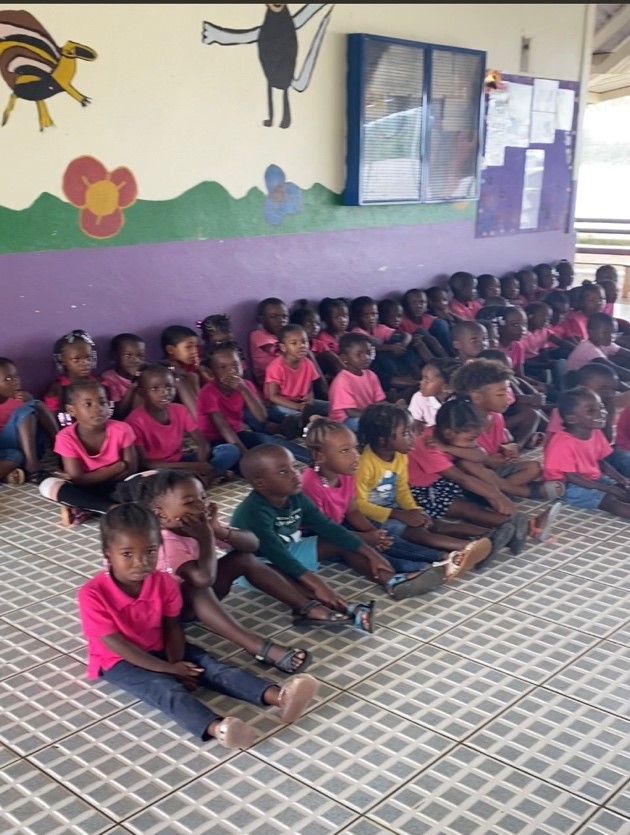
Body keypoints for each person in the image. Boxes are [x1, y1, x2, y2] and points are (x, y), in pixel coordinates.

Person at [77, 503, 319, 749]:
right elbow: (117, 645)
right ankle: (219, 729)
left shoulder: (163, 582)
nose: (141, 562)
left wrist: (178, 662)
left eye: (150, 551)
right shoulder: (92, 594)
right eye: (127, 554)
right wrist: (170, 670)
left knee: (212, 667)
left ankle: (280, 697)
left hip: (159, 643)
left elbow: (173, 626)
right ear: (107, 554)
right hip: (118, 660)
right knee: (163, 689)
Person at [119, 470, 369, 663]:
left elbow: (251, 544)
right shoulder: (165, 541)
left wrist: (219, 530)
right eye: (190, 502)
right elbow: (203, 579)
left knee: (244, 559)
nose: (202, 506)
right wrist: (206, 537)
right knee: (198, 586)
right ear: (161, 515)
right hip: (167, 614)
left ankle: (305, 607)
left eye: (204, 498)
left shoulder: (194, 525)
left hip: (192, 597)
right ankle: (256, 646)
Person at [232, 443, 447, 602]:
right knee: (298, 585)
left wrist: (370, 553)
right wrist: (318, 585)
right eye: (283, 472)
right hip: (259, 565)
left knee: (345, 540)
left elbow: (328, 527)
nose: (294, 475)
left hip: (288, 549)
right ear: (260, 483)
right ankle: (314, 608)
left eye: (293, 467)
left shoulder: (295, 496)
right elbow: (277, 555)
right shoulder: (254, 513)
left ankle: (390, 580)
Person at [302, 417, 485, 585]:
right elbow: (325, 530)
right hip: (322, 539)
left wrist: (374, 533)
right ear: (319, 457)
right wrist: (367, 537)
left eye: (354, 448)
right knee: (364, 550)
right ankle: (422, 570)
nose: (355, 455)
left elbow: (353, 511)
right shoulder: (311, 485)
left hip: (342, 526)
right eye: (345, 451)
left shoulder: (346, 474)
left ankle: (445, 557)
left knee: (387, 539)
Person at [355, 402, 492, 570]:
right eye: (406, 433)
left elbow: (402, 488)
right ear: (382, 440)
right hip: (372, 518)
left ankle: (489, 538)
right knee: (420, 535)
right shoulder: (364, 464)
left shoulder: (399, 456)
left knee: (435, 524)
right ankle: (467, 549)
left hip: (395, 508)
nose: (413, 437)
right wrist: (399, 514)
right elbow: (359, 506)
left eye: (412, 430)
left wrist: (413, 510)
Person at [407, 396, 542, 554]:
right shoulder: (427, 443)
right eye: (471, 438)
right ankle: (516, 528)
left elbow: (480, 456)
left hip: (443, 482)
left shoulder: (449, 439)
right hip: (421, 490)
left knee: (471, 464)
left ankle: (517, 525)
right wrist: (496, 496)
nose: (474, 442)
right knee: (469, 510)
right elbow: (460, 478)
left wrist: (448, 449)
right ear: (449, 433)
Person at [450, 359, 559, 500]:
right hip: (472, 476)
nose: (508, 398)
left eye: (507, 392)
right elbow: (459, 459)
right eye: (500, 394)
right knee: (469, 465)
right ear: (477, 396)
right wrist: (488, 460)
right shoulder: (462, 421)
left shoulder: (496, 417)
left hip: (493, 472)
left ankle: (496, 492)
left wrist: (507, 449)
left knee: (535, 467)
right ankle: (516, 491)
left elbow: (498, 444)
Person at [38, 380, 137, 526]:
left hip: (119, 484)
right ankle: (112, 508)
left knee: (145, 479)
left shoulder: (122, 429)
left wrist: (118, 471)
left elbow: (132, 469)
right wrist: (118, 466)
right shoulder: (65, 437)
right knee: (47, 485)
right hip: (86, 486)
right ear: (72, 410)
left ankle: (87, 507)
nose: (98, 409)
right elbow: (78, 479)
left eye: (102, 402)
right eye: (88, 404)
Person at [125, 364, 235, 483]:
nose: (164, 393)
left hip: (181, 460)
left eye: (169, 387)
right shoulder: (135, 421)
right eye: (155, 388)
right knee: (154, 480)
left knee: (229, 450)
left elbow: (202, 443)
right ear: (142, 392)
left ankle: (204, 477)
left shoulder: (180, 410)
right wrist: (191, 467)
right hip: (158, 469)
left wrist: (199, 464)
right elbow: (145, 463)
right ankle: (205, 477)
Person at [542, 386, 630, 519]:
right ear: (572, 419)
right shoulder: (562, 443)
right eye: (591, 410)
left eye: (600, 407)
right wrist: (606, 488)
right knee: (609, 500)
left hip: (591, 477)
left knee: (623, 490)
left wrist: (620, 478)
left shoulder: (595, 432)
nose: (601, 413)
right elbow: (572, 477)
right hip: (567, 485)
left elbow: (600, 462)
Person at [264, 323, 328, 439]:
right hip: (281, 404)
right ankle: (300, 430)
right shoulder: (276, 367)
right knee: (296, 417)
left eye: (304, 342)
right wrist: (297, 407)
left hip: (301, 403)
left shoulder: (308, 363)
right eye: (294, 343)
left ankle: (312, 422)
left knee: (331, 407)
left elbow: (309, 390)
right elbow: (272, 396)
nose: (301, 346)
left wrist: (309, 400)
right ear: (283, 347)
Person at [0, 356, 58, 484]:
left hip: (28, 448)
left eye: (16, 376)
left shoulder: (21, 399)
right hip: (4, 447)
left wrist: (30, 399)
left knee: (35, 405)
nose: (15, 382)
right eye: (8, 379)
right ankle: (32, 468)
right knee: (29, 408)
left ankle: (61, 449)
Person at [349, 295, 418, 396]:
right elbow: (370, 347)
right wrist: (390, 347)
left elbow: (407, 335)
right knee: (379, 350)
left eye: (374, 314)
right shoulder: (356, 331)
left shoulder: (380, 328)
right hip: (376, 366)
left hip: (394, 361)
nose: (371, 318)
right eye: (365, 315)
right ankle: (405, 381)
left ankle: (415, 372)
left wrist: (402, 345)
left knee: (401, 339)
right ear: (357, 317)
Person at [328, 333, 386, 432]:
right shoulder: (342, 380)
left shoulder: (371, 375)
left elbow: (379, 401)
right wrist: (375, 418)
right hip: (344, 421)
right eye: (359, 354)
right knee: (369, 426)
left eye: (368, 353)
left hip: (366, 415)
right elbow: (350, 412)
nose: (366, 357)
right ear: (344, 358)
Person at [43, 329, 102, 422]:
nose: (84, 363)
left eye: (88, 358)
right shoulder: (58, 388)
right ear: (63, 360)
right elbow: (51, 420)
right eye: (76, 359)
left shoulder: (98, 383)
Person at [566, 312, 630, 381]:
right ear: (591, 332)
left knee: (625, 359)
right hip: (576, 383)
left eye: (614, 332)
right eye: (605, 333)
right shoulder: (587, 347)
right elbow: (612, 368)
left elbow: (626, 353)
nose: (611, 336)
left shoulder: (604, 342)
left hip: (591, 377)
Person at [159, 325, 205, 413]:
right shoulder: (167, 369)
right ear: (170, 349)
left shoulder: (187, 366)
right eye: (188, 347)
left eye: (195, 346)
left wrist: (199, 370)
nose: (194, 351)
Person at [100, 333, 146, 421]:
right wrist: (133, 386)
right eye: (128, 355)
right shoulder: (109, 378)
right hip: (128, 421)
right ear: (115, 356)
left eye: (140, 356)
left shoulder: (146, 371)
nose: (136, 360)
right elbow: (119, 414)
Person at [408, 358, 461, 431]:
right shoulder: (419, 398)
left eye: (427, 380)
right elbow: (413, 423)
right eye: (422, 378)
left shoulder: (459, 404)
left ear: (447, 388)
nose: (421, 382)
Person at [248, 297, 289, 389]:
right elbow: (277, 351)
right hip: (268, 383)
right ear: (261, 319)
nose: (281, 320)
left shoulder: (284, 336)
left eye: (284, 316)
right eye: (273, 317)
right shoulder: (257, 334)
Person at [398, 288, 451, 356]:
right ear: (407, 305)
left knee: (441, 323)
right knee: (421, 332)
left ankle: (452, 357)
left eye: (422, 302)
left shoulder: (430, 318)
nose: (419, 306)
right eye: (414, 303)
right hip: (418, 351)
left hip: (439, 348)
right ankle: (445, 362)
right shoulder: (402, 322)